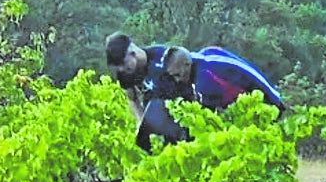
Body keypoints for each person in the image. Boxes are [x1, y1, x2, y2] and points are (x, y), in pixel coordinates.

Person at [104, 34, 286, 145]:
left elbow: (197, 104)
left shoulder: (167, 60)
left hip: (252, 103)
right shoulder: (126, 73)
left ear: (133, 54)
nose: (122, 71)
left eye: (124, 65)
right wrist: (141, 123)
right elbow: (131, 98)